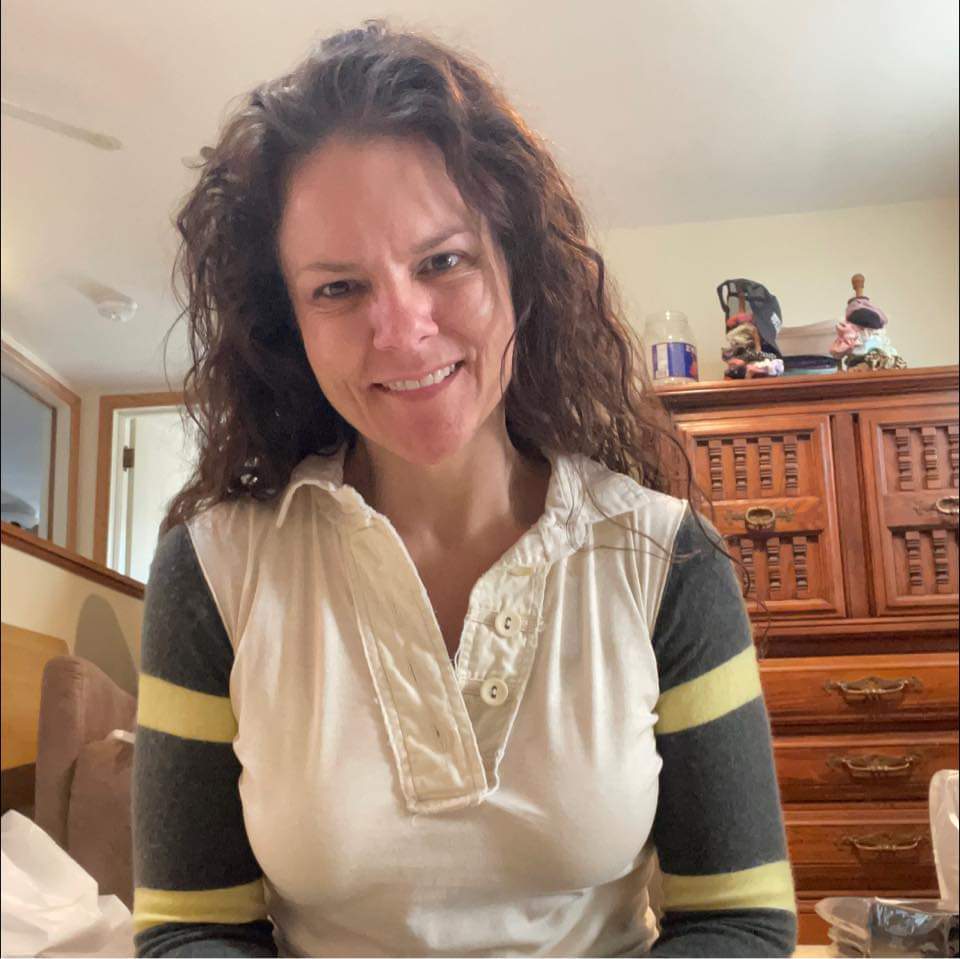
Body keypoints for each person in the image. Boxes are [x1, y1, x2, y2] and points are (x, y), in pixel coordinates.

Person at [133, 20, 797, 958]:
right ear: (287, 322)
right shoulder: (211, 574)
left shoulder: (669, 558)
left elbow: (741, 920)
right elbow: (187, 929)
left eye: (443, 261)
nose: (402, 330)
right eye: (338, 289)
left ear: (517, 271)